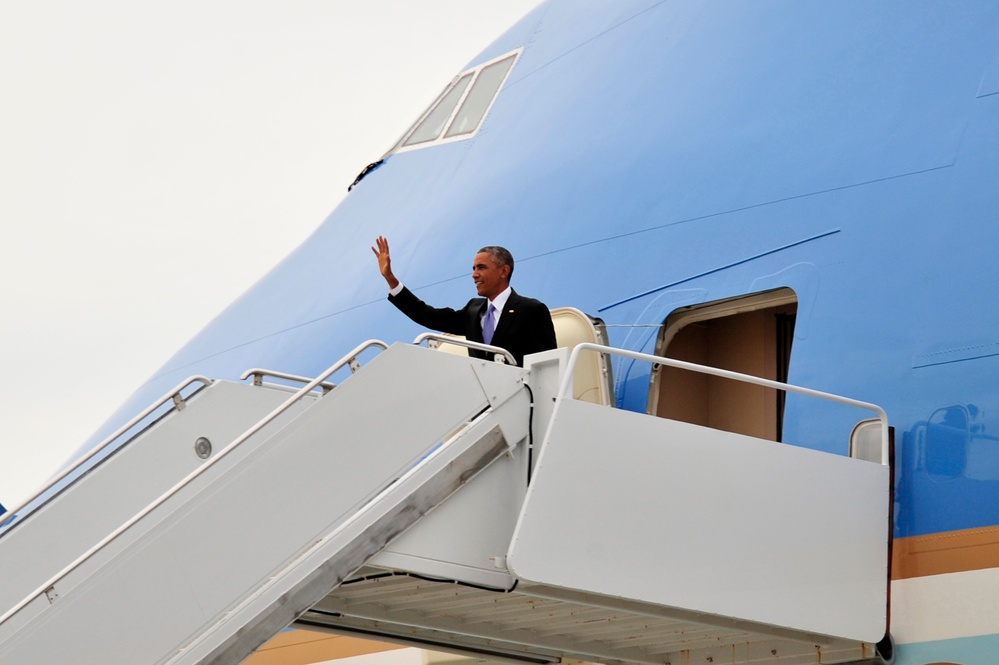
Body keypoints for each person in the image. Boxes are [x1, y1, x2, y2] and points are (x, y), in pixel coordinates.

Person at [372, 236, 557, 367]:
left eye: (481, 268)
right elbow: (428, 315)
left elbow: (548, 365)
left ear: (504, 271)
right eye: (474, 268)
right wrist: (390, 278)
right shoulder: (473, 310)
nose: (474, 274)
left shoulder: (531, 310)